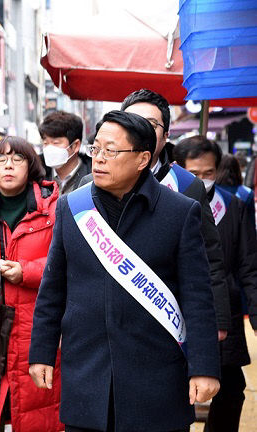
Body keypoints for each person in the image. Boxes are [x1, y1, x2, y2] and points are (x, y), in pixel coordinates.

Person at [30, 110, 220, 432]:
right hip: (87, 375)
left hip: (157, 381)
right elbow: (53, 289)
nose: (100, 159)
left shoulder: (179, 212)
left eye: (112, 151)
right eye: (96, 149)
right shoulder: (72, 207)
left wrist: (204, 367)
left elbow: (198, 297)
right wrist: (41, 353)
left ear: (143, 158)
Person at [79, 89, 231, 341]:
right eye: (129, 121)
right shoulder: (88, 186)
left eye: (149, 124)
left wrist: (218, 320)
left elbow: (210, 258)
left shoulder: (187, 185)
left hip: (165, 320)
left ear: (166, 135)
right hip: (101, 322)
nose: (137, 128)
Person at [0, 137, 62, 432]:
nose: (8, 165)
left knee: (34, 416)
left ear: (31, 167)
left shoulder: (54, 209)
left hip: (34, 326)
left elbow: (66, 264)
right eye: (0, 160)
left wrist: (25, 272)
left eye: (17, 159)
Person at [173, 136, 257, 432]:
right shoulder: (168, 204)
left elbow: (249, 264)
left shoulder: (234, 205)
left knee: (231, 388)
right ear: (178, 169)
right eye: (194, 174)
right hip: (178, 313)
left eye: (209, 173)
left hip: (225, 315)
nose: (203, 180)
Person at [39, 111, 90, 195]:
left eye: (56, 143)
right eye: (45, 143)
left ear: (75, 145)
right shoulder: (37, 176)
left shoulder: (92, 179)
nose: (49, 149)